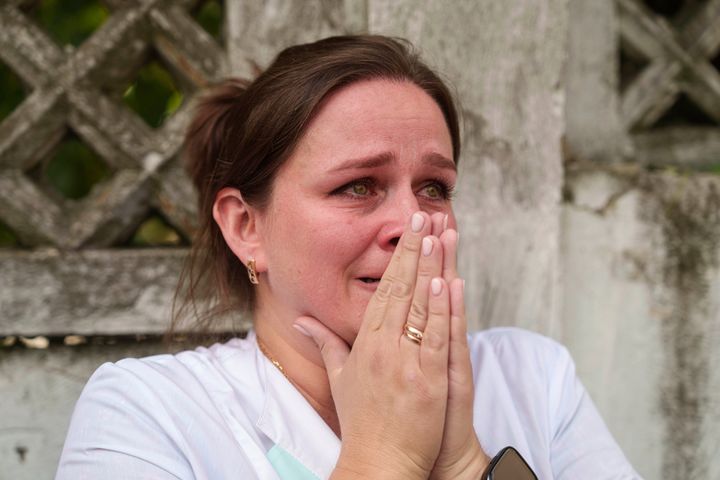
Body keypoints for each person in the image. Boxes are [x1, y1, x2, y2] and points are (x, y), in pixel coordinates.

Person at [56, 35, 640, 479]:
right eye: (358, 185)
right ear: (245, 226)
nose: (412, 223)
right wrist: (384, 454)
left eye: (434, 187)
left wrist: (464, 462)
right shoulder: (148, 410)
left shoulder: (532, 378)